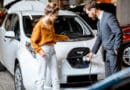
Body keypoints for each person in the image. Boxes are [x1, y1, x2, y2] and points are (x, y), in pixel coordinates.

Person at [30, 2, 69, 90]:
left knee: (55, 76)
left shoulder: (50, 23)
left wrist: (64, 37)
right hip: (43, 51)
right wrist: (39, 51)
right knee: (41, 77)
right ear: (50, 14)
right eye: (55, 15)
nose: (56, 17)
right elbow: (33, 41)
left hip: (52, 50)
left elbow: (52, 36)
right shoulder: (39, 25)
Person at [84, 0, 122, 77]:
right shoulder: (99, 21)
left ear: (93, 10)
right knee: (108, 77)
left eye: (88, 13)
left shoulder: (109, 17)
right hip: (105, 52)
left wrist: (116, 48)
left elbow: (118, 32)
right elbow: (99, 37)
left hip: (113, 52)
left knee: (116, 76)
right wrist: (92, 52)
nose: (89, 16)